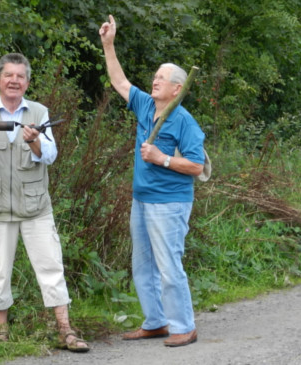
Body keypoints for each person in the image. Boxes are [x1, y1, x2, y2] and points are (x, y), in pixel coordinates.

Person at [0, 53, 89, 352]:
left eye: (20, 76)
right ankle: (2, 332)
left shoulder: (40, 113)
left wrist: (34, 140)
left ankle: (65, 330)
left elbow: (50, 156)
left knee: (51, 265)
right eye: (9, 75)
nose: (14, 81)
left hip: (35, 208)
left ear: (27, 82)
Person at [99, 15, 205, 347]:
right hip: (141, 199)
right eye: (155, 76)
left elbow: (198, 166)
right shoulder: (146, 106)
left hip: (170, 203)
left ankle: (184, 326)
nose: (155, 80)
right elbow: (119, 81)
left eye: (162, 78)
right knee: (142, 265)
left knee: (168, 264)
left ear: (178, 88)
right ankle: (156, 321)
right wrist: (108, 44)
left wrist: (163, 159)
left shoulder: (184, 121)